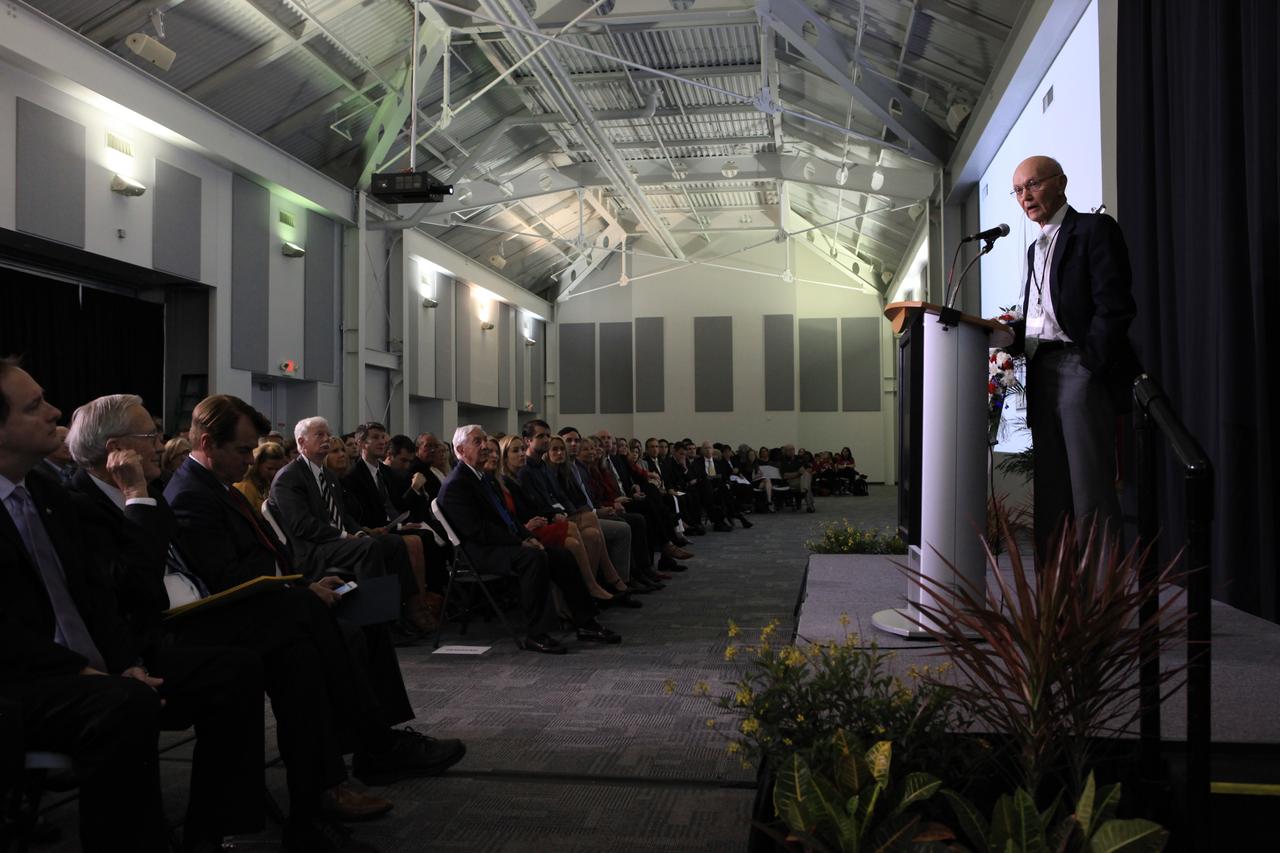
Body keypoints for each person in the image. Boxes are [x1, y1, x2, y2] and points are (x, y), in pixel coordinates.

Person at [0, 362, 264, 853]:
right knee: (127, 702)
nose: (56, 412)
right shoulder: (74, 497)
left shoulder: (43, 493)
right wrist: (89, 672)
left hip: (99, 656)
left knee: (236, 669)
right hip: (24, 678)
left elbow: (95, 598)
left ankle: (216, 828)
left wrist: (126, 664)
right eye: (35, 405)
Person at [1008, 155, 1139, 561]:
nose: (1025, 196)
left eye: (1032, 184)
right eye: (1017, 190)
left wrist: (1089, 363)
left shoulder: (1094, 230)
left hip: (1078, 368)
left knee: (1090, 493)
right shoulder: (1034, 248)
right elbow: (1043, 316)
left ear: (1060, 183)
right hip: (1042, 371)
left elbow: (1114, 306)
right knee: (1053, 493)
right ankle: (1057, 604)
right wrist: (1009, 333)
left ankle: (1103, 606)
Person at [436, 425, 621, 654]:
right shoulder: (456, 484)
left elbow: (508, 518)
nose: (485, 446)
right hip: (479, 552)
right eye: (477, 442)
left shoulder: (484, 477)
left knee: (562, 555)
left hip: (500, 544)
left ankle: (586, 622)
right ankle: (536, 633)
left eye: (485, 440)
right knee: (534, 558)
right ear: (461, 450)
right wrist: (519, 542)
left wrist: (529, 536)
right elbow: (477, 531)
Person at [234, 440, 286, 517]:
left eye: (278, 469)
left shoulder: (267, 484)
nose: (274, 473)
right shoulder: (245, 486)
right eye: (269, 468)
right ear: (257, 464)